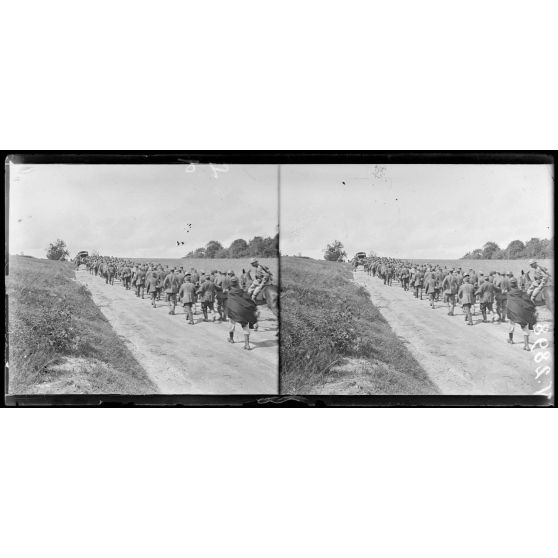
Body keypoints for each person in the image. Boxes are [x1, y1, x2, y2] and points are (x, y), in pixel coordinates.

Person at [225, 276, 258, 350]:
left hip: (233, 311)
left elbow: (229, 304)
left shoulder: (230, 293)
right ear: (237, 283)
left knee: (231, 324)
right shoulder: (242, 291)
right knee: (245, 326)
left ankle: (231, 339)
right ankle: (247, 345)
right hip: (244, 311)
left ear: (231, 283)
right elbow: (248, 300)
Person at [507, 277, 537, 350]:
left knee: (511, 325)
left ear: (510, 285)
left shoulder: (509, 293)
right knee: (525, 327)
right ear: (516, 283)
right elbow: (528, 300)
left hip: (512, 312)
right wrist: (532, 307)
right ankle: (526, 345)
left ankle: (511, 340)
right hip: (522, 312)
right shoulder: (521, 292)